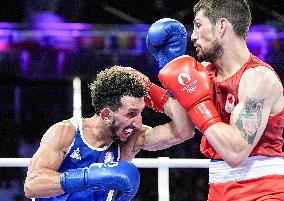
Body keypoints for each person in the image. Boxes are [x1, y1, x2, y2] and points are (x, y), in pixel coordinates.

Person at [147, 0, 284, 200]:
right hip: (218, 190)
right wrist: (146, 88)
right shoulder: (204, 73)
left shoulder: (259, 79)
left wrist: (196, 102)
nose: (192, 36)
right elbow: (184, 127)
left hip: (264, 192)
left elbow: (235, 152)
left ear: (221, 26)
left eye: (198, 25)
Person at [24, 65, 195, 201]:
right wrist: (87, 177)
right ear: (106, 114)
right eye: (131, 113)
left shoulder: (131, 139)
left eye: (140, 112)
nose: (138, 122)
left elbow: (184, 131)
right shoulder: (65, 132)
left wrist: (154, 89)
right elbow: (32, 185)